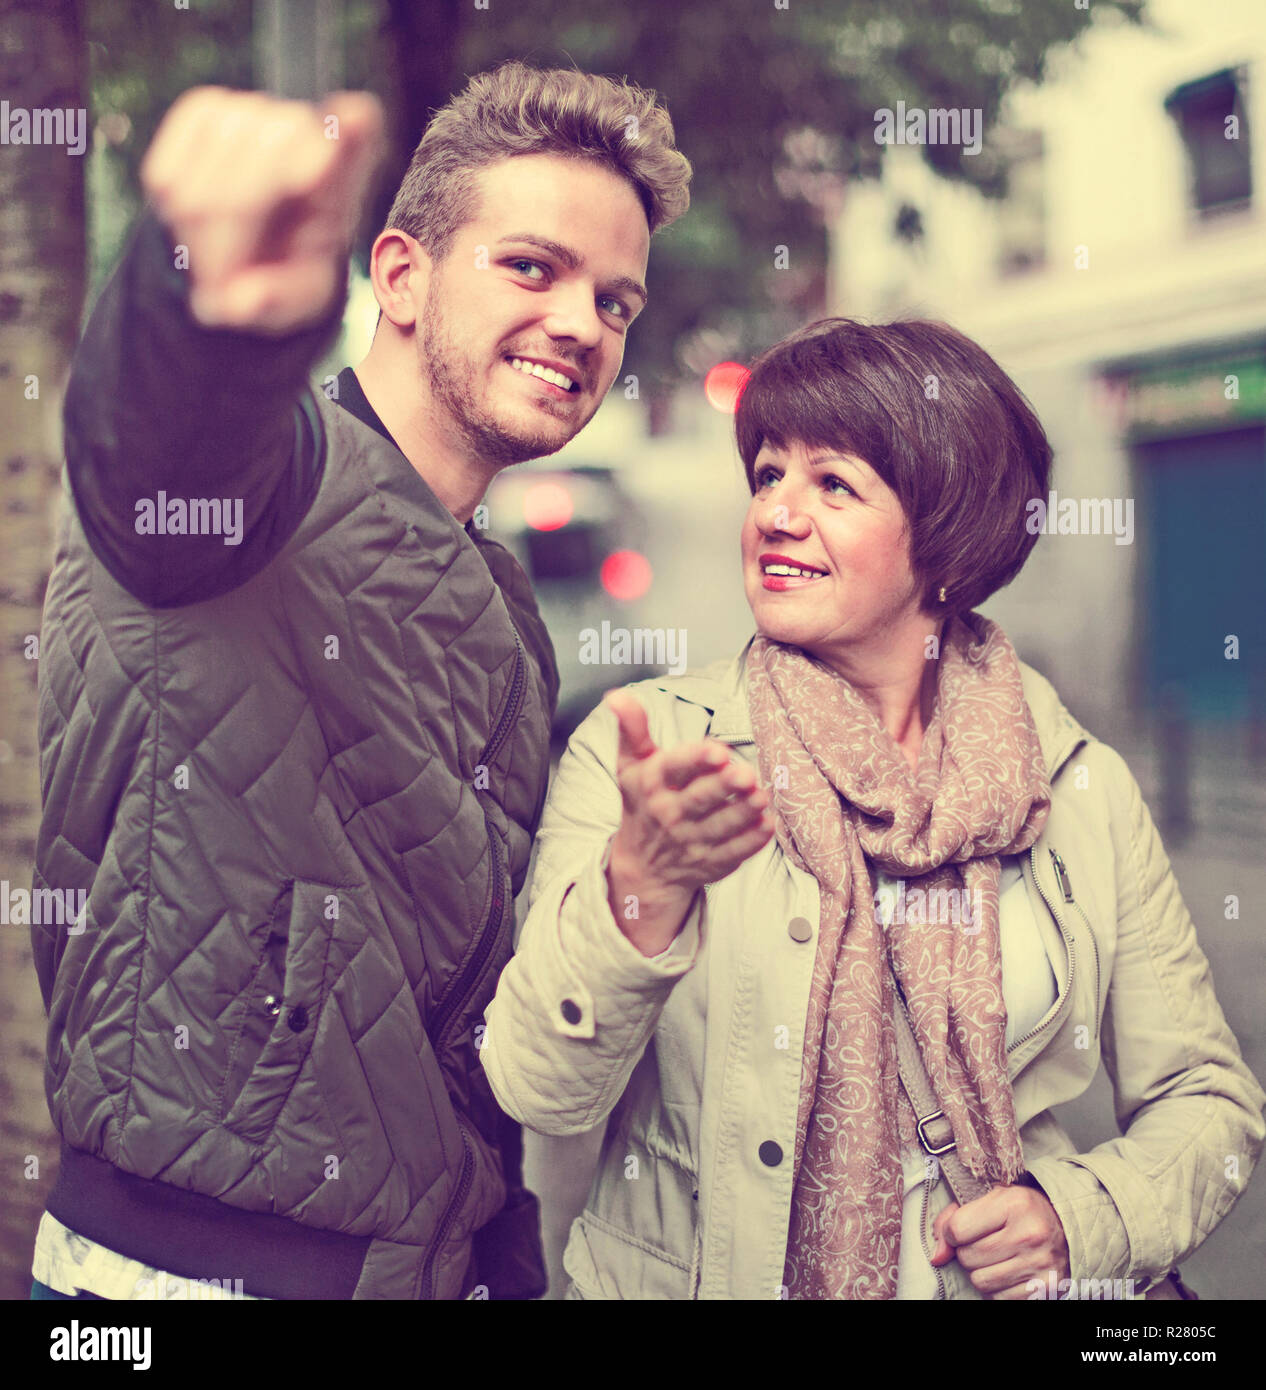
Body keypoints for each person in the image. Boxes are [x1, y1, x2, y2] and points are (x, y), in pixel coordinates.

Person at [29, 61, 690, 1300]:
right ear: (397, 274)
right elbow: (157, 435)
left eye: (616, 303)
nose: (580, 325)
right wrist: (209, 300)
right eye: (532, 268)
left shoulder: (504, 603)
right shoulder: (251, 486)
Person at [480, 317, 1266, 1300]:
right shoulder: (653, 748)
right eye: (768, 475)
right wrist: (642, 885)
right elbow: (540, 1088)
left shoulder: (1071, 779)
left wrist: (1083, 1216)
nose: (775, 512)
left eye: (833, 484)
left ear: (944, 534)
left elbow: (1209, 1098)